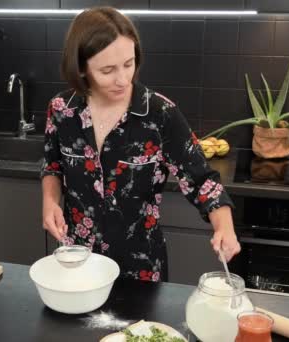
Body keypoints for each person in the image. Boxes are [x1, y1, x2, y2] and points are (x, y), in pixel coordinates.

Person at [40, 7, 240, 282]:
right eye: (107, 70)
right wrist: (50, 201)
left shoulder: (160, 114)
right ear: (82, 67)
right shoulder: (62, 110)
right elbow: (52, 165)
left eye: (128, 64)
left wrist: (225, 227)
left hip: (141, 268)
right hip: (78, 261)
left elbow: (204, 181)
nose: (122, 79)